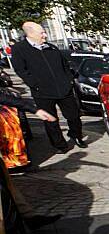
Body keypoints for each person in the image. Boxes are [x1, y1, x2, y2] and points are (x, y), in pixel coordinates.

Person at [10, 22, 85, 151]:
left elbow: (65, 65)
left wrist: (69, 80)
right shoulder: (19, 49)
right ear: (31, 34)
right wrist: (35, 84)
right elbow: (20, 70)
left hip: (64, 88)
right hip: (42, 92)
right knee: (50, 119)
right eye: (42, 33)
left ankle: (76, 135)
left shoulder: (51, 48)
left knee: (74, 115)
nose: (45, 35)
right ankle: (59, 144)